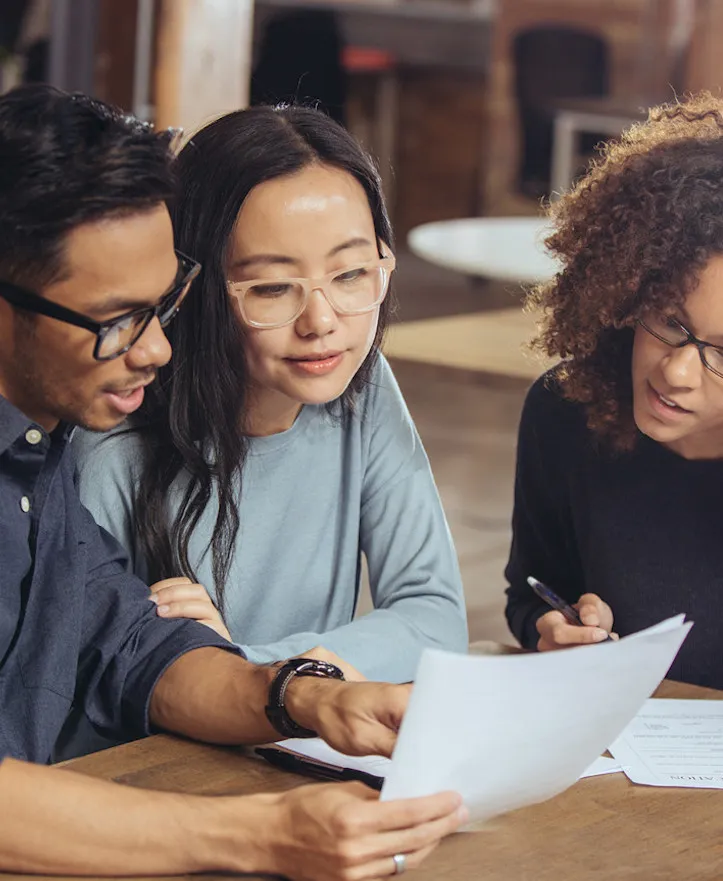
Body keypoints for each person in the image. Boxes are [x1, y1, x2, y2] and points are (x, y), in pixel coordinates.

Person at [0, 83, 466, 877]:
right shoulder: (94, 446)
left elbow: (133, 646)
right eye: (119, 319)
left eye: (164, 305)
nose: (158, 349)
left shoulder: (34, 457)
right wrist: (258, 834)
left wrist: (305, 693)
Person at [73, 104, 468, 683]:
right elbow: (86, 693)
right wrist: (209, 674)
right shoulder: (113, 435)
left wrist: (244, 670)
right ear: (195, 288)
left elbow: (434, 622)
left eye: (352, 274)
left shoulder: (364, 387)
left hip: (294, 741)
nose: (321, 321)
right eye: (272, 287)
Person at [504, 92, 723, 689]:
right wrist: (554, 629)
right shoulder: (565, 413)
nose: (677, 372)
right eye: (671, 323)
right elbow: (530, 593)